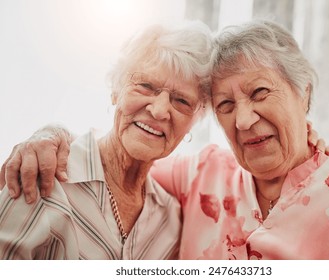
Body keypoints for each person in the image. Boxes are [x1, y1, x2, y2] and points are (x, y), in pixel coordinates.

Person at [3, 21, 329, 260]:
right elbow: (112, 158)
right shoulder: (199, 176)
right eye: (226, 104)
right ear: (115, 89)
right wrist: (50, 134)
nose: (243, 119)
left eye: (260, 92)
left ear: (304, 94)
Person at [0, 21, 214, 259]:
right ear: (116, 90)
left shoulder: (171, 223)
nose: (159, 110)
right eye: (145, 86)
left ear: (193, 123)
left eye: (182, 101)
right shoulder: (43, 171)